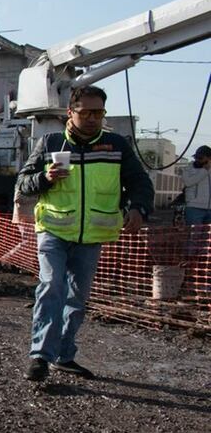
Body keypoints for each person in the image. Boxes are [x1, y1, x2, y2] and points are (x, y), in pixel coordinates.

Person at [16, 85, 154, 382]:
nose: (93, 118)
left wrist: (139, 208)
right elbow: (23, 183)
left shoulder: (116, 145)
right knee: (52, 286)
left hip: (91, 235)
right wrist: (45, 177)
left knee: (77, 298)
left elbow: (140, 182)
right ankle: (40, 355)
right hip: (53, 228)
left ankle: (64, 356)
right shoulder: (51, 142)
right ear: (71, 112)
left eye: (99, 113)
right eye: (87, 112)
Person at [179, 145, 211, 226]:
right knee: (195, 236)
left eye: (201, 158)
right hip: (194, 207)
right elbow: (188, 182)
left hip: (210, 208)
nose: (197, 160)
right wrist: (204, 170)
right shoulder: (188, 169)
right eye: (196, 157)